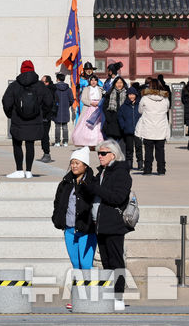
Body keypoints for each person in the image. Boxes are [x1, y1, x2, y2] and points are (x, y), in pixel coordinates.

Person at [81, 139, 132, 311]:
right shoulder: (101, 172)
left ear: (113, 155)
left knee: (116, 261)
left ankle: (118, 296)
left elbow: (117, 197)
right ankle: (109, 294)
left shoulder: (121, 173)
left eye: (103, 153)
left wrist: (95, 188)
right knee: (106, 262)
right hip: (100, 225)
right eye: (98, 153)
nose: (100, 156)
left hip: (114, 224)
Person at [2, 60, 53, 179]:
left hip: (17, 120)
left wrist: (11, 114)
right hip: (34, 120)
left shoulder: (14, 85)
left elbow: (6, 102)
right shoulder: (40, 85)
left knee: (17, 144)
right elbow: (49, 101)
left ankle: (19, 170)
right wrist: (42, 113)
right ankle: (29, 171)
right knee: (30, 145)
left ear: (21, 70)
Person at [51, 147, 96, 270]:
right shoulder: (65, 183)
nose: (74, 166)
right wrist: (57, 218)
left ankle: (87, 288)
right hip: (69, 230)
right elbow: (58, 202)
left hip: (87, 230)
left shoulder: (92, 183)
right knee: (75, 264)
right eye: (72, 163)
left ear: (85, 165)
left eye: (77, 163)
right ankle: (78, 289)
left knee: (86, 264)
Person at [135, 79, 171, 175]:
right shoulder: (165, 99)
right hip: (161, 128)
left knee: (148, 151)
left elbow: (140, 111)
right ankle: (161, 170)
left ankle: (147, 170)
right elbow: (167, 110)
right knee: (160, 151)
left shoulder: (144, 99)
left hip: (148, 128)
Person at [72, 75, 105, 148]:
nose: (93, 82)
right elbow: (83, 99)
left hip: (98, 109)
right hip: (89, 108)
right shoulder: (86, 89)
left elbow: (104, 98)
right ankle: (87, 142)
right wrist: (91, 103)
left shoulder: (101, 89)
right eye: (92, 80)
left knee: (98, 126)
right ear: (89, 81)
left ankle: (97, 143)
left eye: (95, 80)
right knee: (87, 126)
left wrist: (99, 103)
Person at [118, 86, 143, 170]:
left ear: (136, 95)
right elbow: (120, 117)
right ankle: (129, 164)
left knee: (139, 148)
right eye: (129, 94)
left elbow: (143, 116)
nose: (131, 96)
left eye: (133, 94)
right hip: (128, 130)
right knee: (129, 149)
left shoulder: (140, 105)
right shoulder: (124, 106)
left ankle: (140, 164)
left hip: (138, 131)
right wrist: (123, 126)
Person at [103, 76, 128, 144]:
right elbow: (105, 106)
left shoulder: (127, 93)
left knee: (122, 142)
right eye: (117, 82)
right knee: (112, 142)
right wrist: (108, 117)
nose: (119, 84)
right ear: (114, 84)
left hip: (123, 119)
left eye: (121, 82)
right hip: (112, 119)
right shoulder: (110, 93)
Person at [37, 75, 56, 163]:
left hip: (45, 116)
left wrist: (44, 114)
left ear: (47, 83)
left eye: (42, 81)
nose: (40, 83)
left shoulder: (49, 91)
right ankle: (45, 153)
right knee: (42, 135)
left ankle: (47, 154)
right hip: (42, 116)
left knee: (45, 135)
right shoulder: (43, 90)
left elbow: (48, 105)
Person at [53, 73, 74, 147]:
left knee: (57, 126)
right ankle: (65, 142)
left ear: (57, 79)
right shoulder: (68, 89)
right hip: (65, 109)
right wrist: (67, 105)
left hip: (56, 109)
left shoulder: (54, 88)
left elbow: (52, 99)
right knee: (65, 126)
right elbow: (72, 100)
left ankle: (57, 142)